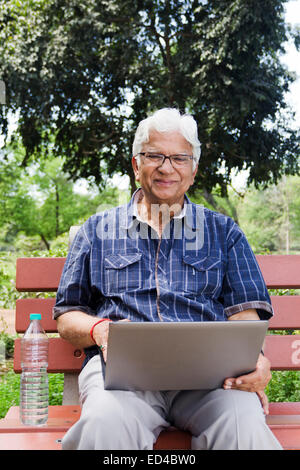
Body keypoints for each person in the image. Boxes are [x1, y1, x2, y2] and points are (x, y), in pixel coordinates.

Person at [53, 108, 282, 450]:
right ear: (136, 165)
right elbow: (67, 314)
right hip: (122, 381)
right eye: (154, 156)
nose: (166, 167)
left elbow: (245, 316)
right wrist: (99, 330)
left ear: (193, 170)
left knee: (242, 426)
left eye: (178, 158)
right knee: (104, 424)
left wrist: (255, 360)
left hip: (211, 381)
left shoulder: (224, 232)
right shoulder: (96, 231)